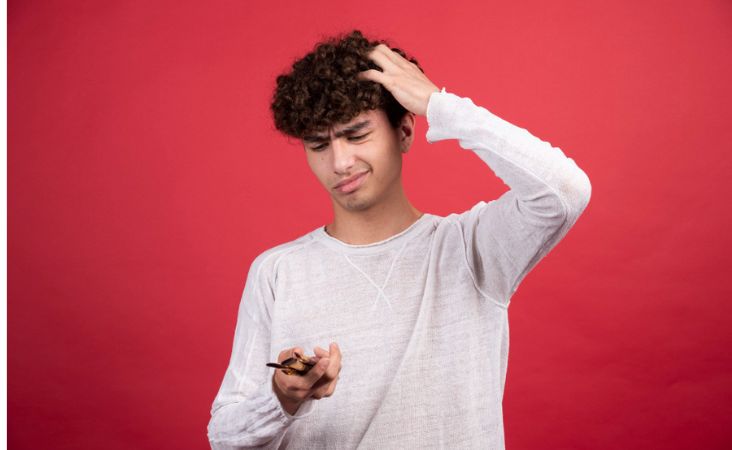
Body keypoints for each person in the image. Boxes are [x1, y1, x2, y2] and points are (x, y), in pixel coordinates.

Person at [207, 29, 591, 449]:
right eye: (319, 144)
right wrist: (283, 396)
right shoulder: (277, 272)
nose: (340, 162)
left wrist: (438, 104)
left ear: (404, 132)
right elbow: (225, 436)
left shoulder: (469, 249)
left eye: (357, 135)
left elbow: (563, 192)